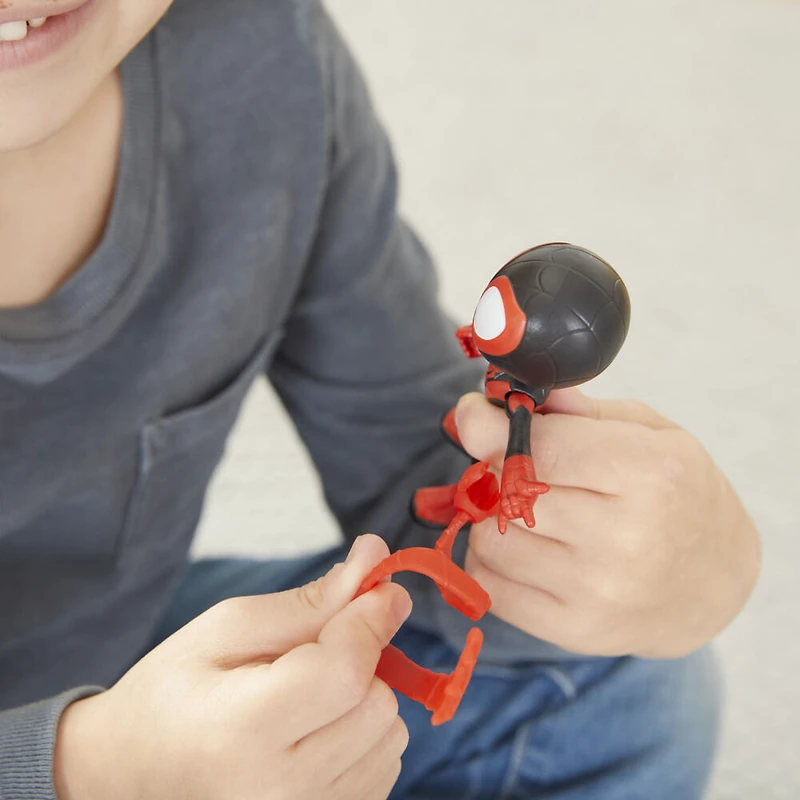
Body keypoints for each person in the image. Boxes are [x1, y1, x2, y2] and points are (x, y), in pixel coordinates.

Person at [0, 1, 761, 798]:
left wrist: (691, 566)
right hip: (81, 755)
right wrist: (82, 771)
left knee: (621, 690)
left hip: (102, 651)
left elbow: (420, 472)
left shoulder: (257, 56)